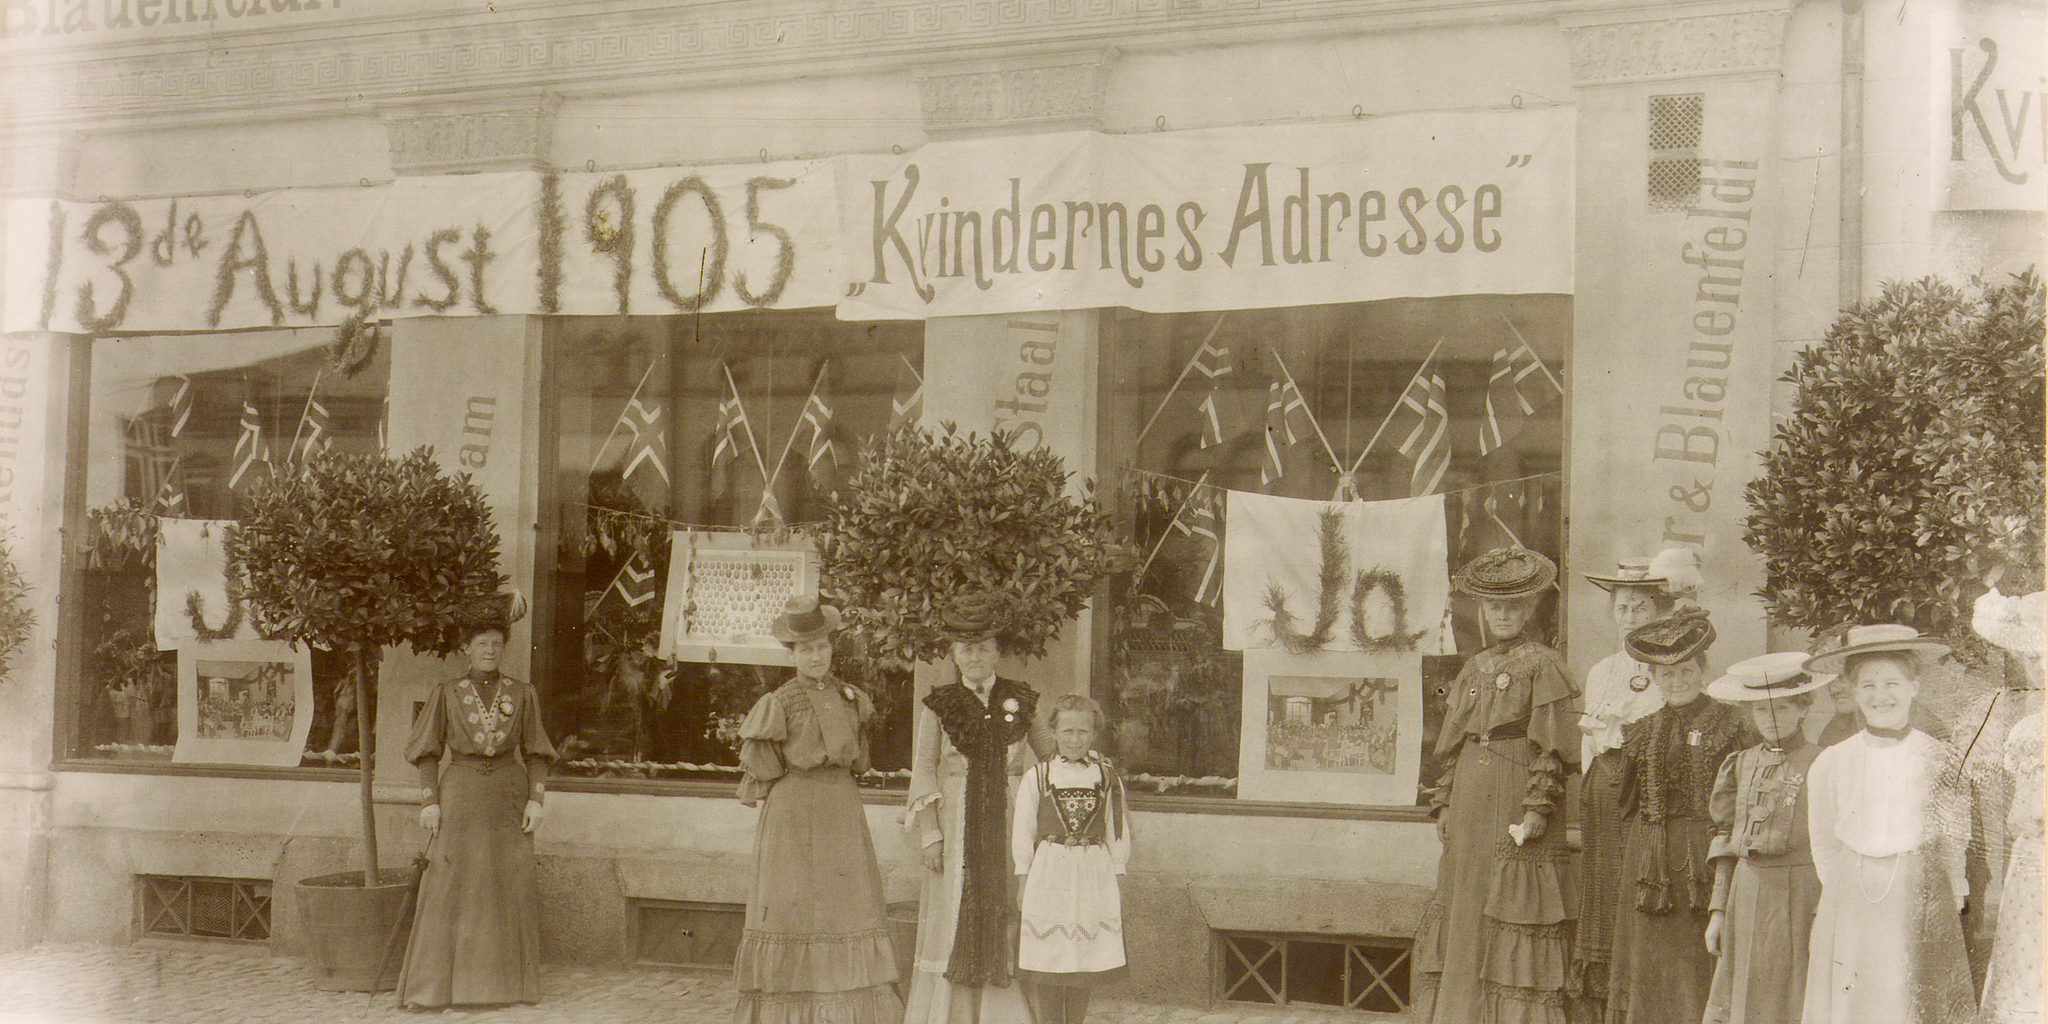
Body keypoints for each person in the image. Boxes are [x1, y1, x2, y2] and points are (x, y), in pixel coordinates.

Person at [1412, 547, 1578, 1024]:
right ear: (1482, 611)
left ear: (1529, 610)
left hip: (1515, 786)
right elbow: (1453, 742)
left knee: (1512, 900)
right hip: (1470, 788)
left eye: (1513, 607)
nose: (1503, 615)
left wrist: (1537, 807)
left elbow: (1552, 749)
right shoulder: (1475, 667)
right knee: (1466, 896)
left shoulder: (1544, 665)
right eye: (1494, 607)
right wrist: (1444, 802)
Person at [731, 596, 902, 1024]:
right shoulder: (780, 700)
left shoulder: (850, 696)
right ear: (792, 654)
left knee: (846, 902)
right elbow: (764, 765)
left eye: (822, 647)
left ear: (831, 648)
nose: (816, 656)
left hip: (841, 808)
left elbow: (861, 759)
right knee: (793, 904)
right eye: (806, 649)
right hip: (793, 811)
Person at [1801, 624, 1975, 1024]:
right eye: (1869, 686)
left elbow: (1953, 835)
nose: (1882, 696)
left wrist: (1954, 888)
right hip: (1852, 897)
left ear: (1914, 685)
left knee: (1907, 994)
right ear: (1854, 691)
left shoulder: (1940, 758)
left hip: (1918, 891)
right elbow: (1824, 842)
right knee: (1856, 996)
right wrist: (1842, 894)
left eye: (1893, 683)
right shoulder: (1832, 761)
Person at [397, 593, 556, 1009]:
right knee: (450, 887)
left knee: (505, 887)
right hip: (460, 795)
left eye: (496, 642)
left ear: (504, 647)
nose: (489, 649)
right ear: (466, 647)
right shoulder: (447, 692)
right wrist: (429, 801)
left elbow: (538, 753)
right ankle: (432, 990)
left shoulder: (522, 693)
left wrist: (536, 800)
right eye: (481, 642)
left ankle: (501, 989)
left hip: (508, 797)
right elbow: (427, 752)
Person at [903, 591, 1045, 1024]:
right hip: (958, 822)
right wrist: (931, 833)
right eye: (966, 648)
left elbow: (1053, 757)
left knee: (1007, 908)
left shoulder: (1022, 699)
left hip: (1009, 820)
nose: (975, 656)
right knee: (956, 911)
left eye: (983, 647)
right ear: (953, 653)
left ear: (997, 651)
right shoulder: (940, 705)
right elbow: (924, 769)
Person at [1604, 607, 1747, 1024]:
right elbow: (1627, 802)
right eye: (1666, 674)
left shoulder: (1732, 722)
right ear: (1653, 679)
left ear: (1703, 670)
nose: (1677, 681)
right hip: (1650, 861)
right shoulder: (1642, 729)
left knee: (1703, 954)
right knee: (1650, 959)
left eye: (1686, 670)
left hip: (1708, 858)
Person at [1570, 551, 1695, 1018]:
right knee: (1604, 888)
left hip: (1647, 790)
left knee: (1640, 883)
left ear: (1660, 611)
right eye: (1622, 608)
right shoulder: (1600, 671)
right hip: (1603, 791)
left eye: (1640, 608)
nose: (1629, 618)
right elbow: (1590, 745)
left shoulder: (1668, 668)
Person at [1700, 651, 1828, 1024]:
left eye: (1783, 708)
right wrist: (1718, 911)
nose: (1770, 719)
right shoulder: (1740, 762)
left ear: (1803, 707)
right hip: (1746, 889)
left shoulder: (1823, 761)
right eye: (1760, 710)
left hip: (1802, 895)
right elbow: (1726, 839)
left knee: (1791, 995)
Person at [1011, 693, 1131, 1024]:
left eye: (1083, 732)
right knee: (1050, 958)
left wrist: (1116, 876)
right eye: (1067, 732)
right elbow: (1023, 831)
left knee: (1084, 958)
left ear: (1093, 734)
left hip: (1093, 873)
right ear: (1054, 733)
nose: (1075, 739)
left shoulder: (1106, 777)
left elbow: (1115, 829)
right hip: (1050, 872)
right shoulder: (1038, 776)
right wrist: (1023, 880)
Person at [1969, 589, 2043, 1024]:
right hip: (2032, 862)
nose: (2037, 668)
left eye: (2043, 655)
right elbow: (2019, 812)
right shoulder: (2032, 726)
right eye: (2030, 659)